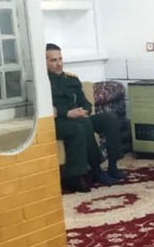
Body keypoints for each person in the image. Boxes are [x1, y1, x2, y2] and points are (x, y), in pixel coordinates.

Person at [47, 43, 125, 193]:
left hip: (79, 117)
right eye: (53, 60)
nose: (59, 64)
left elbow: (86, 102)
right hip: (58, 122)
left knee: (109, 119)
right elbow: (45, 108)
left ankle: (113, 166)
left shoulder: (71, 80)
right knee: (81, 125)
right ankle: (94, 170)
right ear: (44, 62)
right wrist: (67, 113)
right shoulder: (43, 83)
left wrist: (85, 110)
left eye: (60, 59)